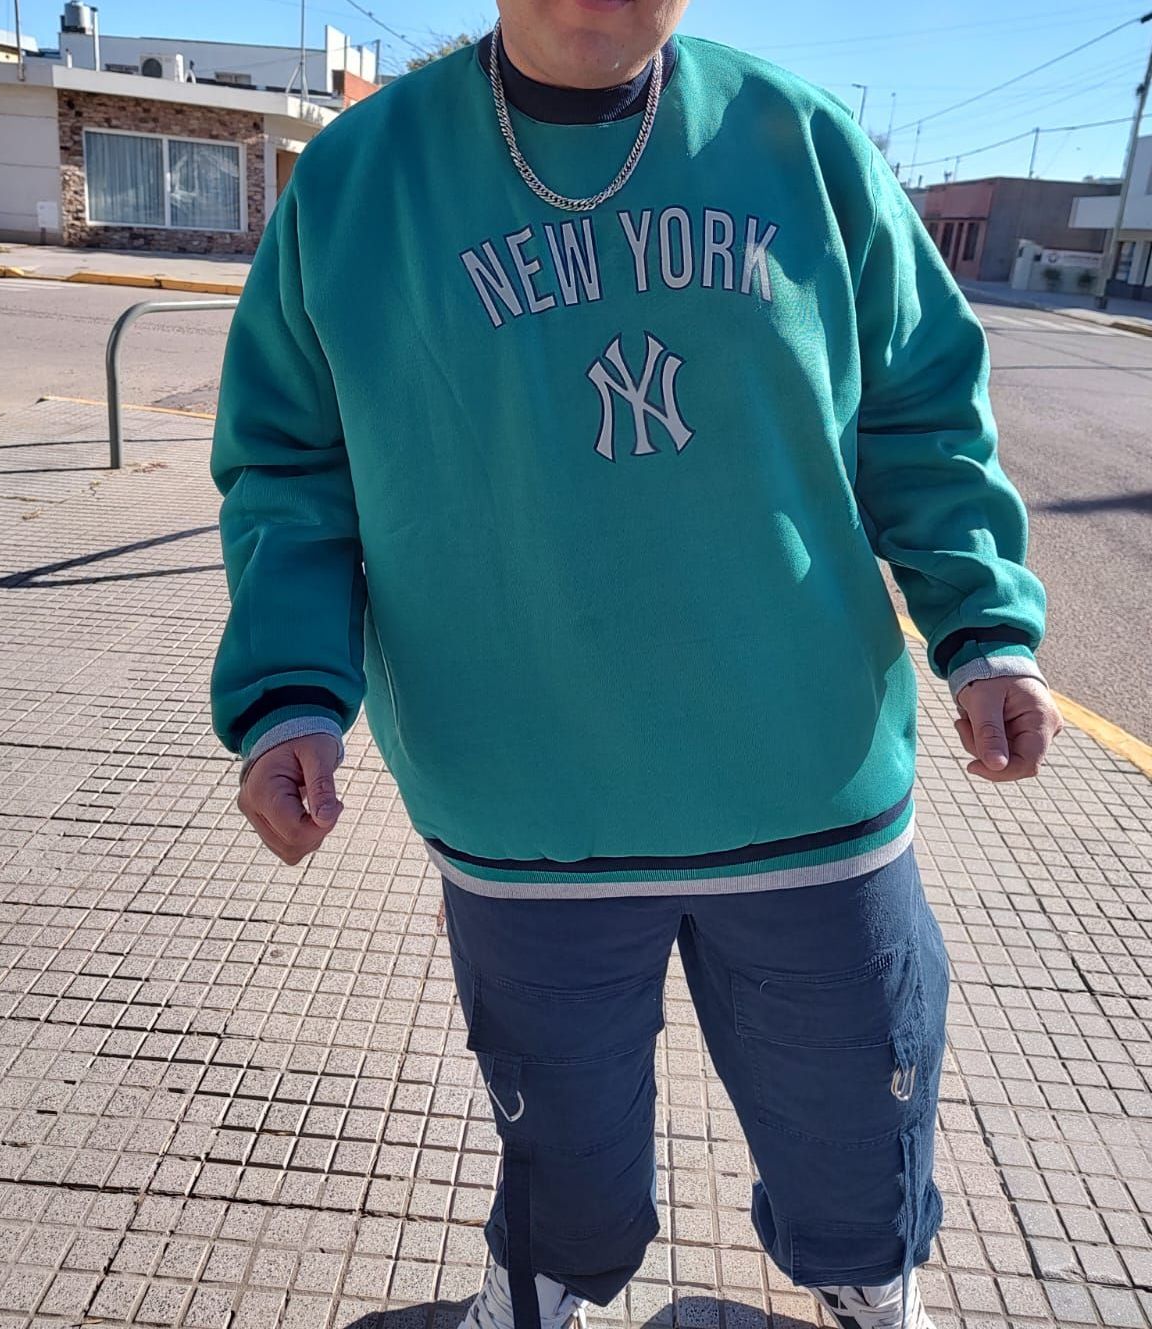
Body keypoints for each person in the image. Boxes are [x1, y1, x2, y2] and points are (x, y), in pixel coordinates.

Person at [208, 3, 1065, 1326]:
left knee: (860, 1115)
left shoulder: (804, 146)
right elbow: (292, 466)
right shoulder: (356, 185)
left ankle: (865, 1289)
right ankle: (543, 1288)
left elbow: (921, 408)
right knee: (558, 1141)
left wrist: (983, 626)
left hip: (808, 801)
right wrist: (290, 696)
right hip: (523, 810)